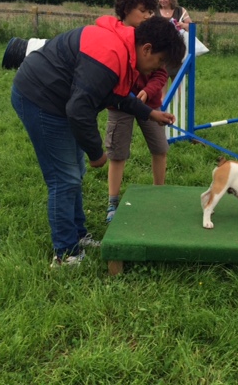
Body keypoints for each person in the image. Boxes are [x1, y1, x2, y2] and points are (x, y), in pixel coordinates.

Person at [11, 15, 185, 267]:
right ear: (147, 49)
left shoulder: (124, 50)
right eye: (159, 61)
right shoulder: (110, 56)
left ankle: (78, 235)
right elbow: (78, 110)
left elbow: (118, 95)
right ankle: (65, 253)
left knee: (74, 172)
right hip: (39, 98)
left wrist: (150, 113)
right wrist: (96, 153)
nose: (156, 70)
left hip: (60, 100)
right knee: (64, 178)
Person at [105, 0, 168, 223]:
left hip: (150, 104)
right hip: (119, 105)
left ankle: (159, 193)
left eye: (150, 11)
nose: (147, 16)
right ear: (125, 10)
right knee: (117, 152)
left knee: (160, 148)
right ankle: (112, 202)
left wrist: (147, 91)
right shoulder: (113, 37)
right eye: (142, 11)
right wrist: (130, 95)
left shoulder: (153, 35)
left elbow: (161, 73)